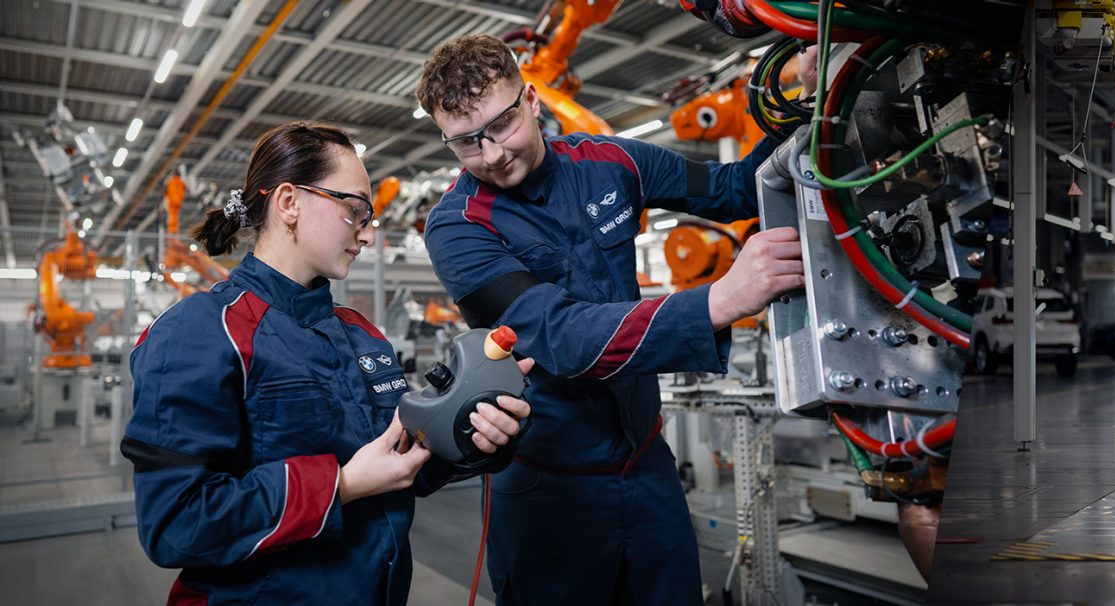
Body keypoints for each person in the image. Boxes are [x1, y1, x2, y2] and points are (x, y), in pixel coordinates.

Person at [413, 35, 808, 603]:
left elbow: (734, 189)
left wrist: (803, 102)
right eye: (466, 142)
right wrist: (717, 301)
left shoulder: (612, 162)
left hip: (646, 467)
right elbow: (562, 337)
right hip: (547, 486)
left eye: (501, 125)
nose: (492, 154)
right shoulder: (458, 227)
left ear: (532, 100)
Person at [121, 122, 534, 604]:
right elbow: (177, 523)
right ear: (289, 203)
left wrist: (475, 431)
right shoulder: (199, 331)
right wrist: (341, 485)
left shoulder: (363, 335)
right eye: (354, 210)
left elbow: (402, 462)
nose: (368, 234)